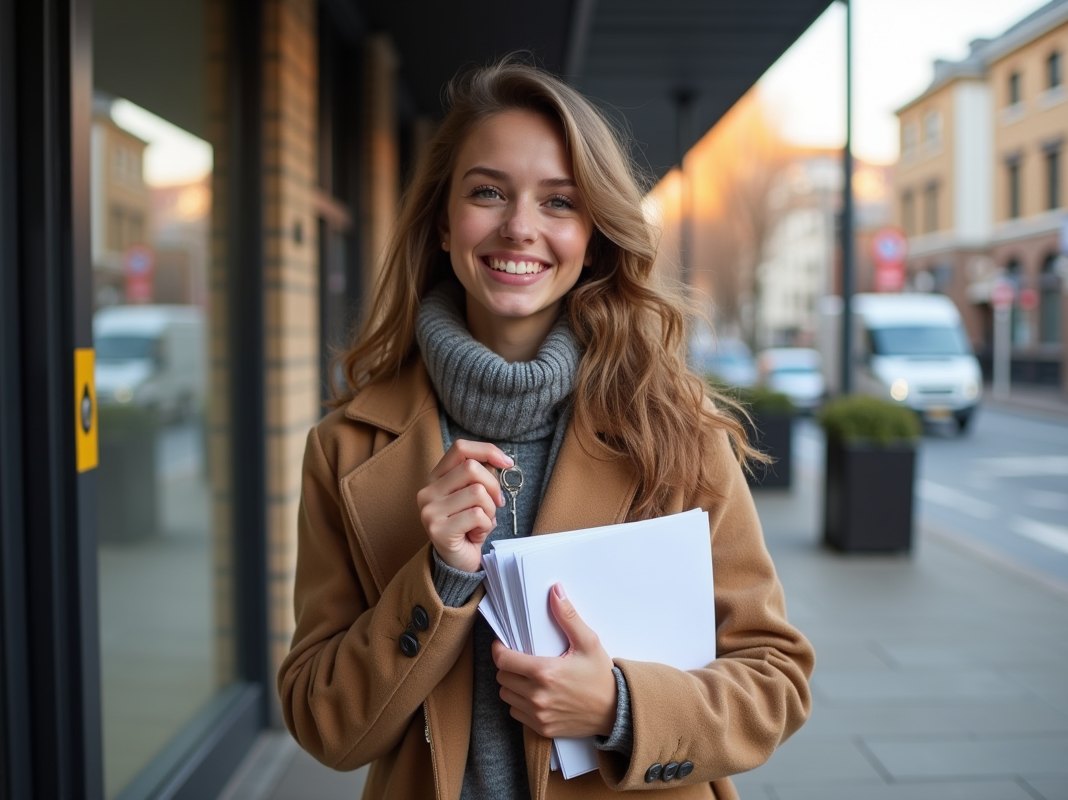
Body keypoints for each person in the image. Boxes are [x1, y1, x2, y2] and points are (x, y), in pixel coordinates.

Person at [278, 59, 814, 800]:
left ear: (593, 237)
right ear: (442, 221)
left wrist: (620, 707)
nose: (520, 227)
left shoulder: (677, 430)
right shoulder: (343, 450)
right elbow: (322, 722)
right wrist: (437, 578)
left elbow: (775, 680)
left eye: (558, 202)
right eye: (489, 192)